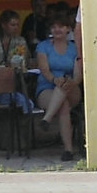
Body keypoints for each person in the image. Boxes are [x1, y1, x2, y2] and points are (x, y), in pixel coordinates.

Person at [35, 13, 82, 162]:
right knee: (63, 105)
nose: (57, 30)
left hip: (72, 87)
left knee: (64, 88)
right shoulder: (43, 46)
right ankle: (68, 150)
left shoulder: (76, 48)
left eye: (61, 26)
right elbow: (44, 70)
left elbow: (78, 74)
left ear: (68, 28)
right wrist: (55, 80)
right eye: (54, 27)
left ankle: (47, 119)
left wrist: (71, 82)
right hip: (47, 86)